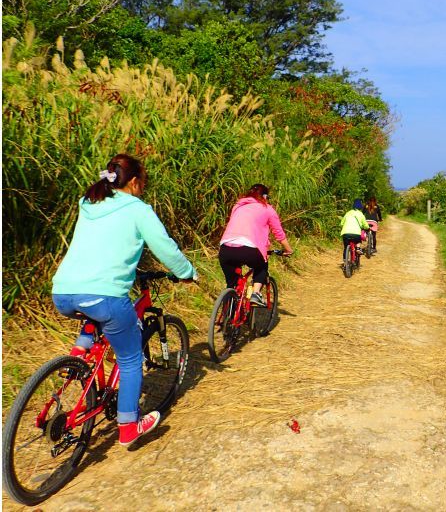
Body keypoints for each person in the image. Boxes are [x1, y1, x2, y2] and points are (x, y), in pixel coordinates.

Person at [52, 154, 198, 447]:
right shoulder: (138, 210)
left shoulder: (89, 202)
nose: (142, 189)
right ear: (133, 182)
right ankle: (129, 427)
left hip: (63, 292)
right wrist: (187, 272)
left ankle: (80, 352)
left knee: (96, 314)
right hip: (103, 296)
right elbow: (165, 248)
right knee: (130, 358)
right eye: (142, 184)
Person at [218, 184, 293, 308]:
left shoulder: (237, 206)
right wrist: (288, 249)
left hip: (225, 249)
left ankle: (226, 316)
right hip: (249, 249)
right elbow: (279, 233)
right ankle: (256, 293)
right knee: (262, 266)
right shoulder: (267, 209)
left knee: (232, 284)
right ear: (265, 196)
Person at [340, 198, 369, 263]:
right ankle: (358, 248)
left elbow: (341, 223)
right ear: (360, 206)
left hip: (346, 233)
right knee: (358, 241)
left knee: (345, 247)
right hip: (356, 234)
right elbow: (365, 225)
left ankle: (345, 260)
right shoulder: (361, 214)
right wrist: (367, 228)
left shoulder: (348, 213)